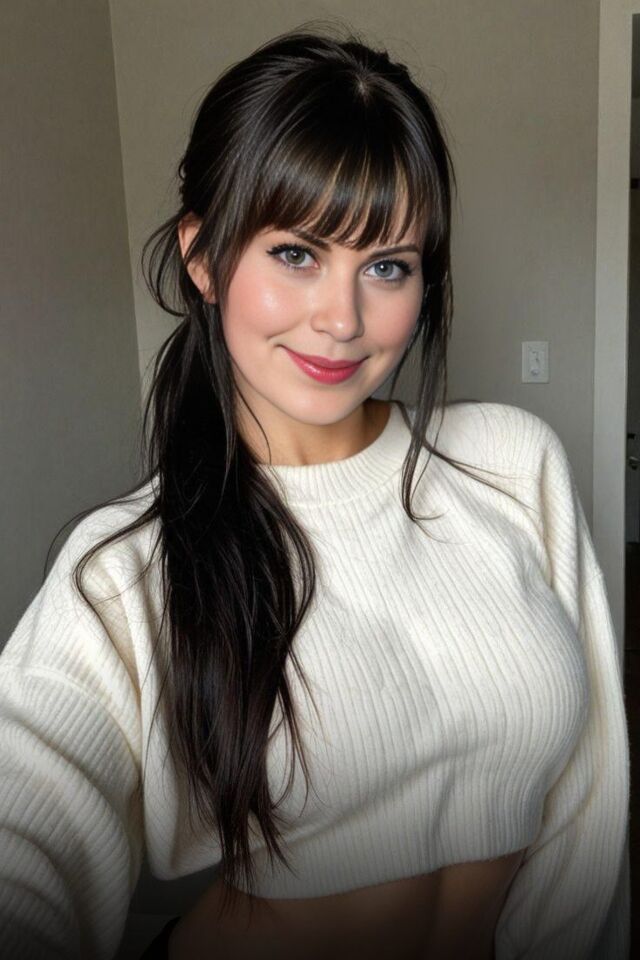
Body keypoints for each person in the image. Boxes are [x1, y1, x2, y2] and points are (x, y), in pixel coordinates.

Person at [0, 22, 630, 960]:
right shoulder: (128, 569)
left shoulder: (510, 463)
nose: (342, 319)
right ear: (204, 258)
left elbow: (591, 792)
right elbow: (26, 837)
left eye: (387, 267)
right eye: (296, 253)